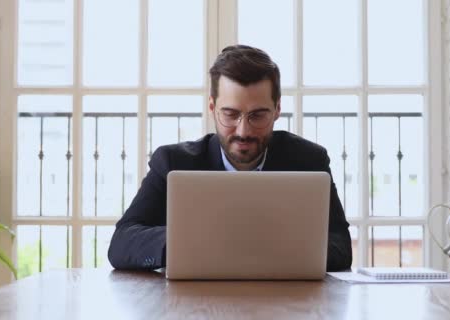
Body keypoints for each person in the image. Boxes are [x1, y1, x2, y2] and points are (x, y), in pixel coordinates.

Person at [108, 45, 352, 271]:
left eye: (257, 116)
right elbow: (121, 243)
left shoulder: (310, 161)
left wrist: (257, 244)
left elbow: (341, 247)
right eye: (231, 114)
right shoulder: (172, 163)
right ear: (213, 108)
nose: (243, 131)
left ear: (277, 109)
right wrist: (188, 239)